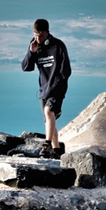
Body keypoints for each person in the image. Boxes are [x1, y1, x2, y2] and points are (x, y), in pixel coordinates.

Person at [21, 18, 71, 155]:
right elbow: (26, 67)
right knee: (49, 118)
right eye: (36, 35)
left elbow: (66, 70)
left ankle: (47, 144)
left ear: (48, 33)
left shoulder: (58, 46)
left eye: (41, 36)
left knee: (49, 112)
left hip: (57, 87)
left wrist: (56, 84)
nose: (39, 39)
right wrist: (32, 52)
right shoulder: (35, 45)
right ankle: (57, 150)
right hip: (44, 88)